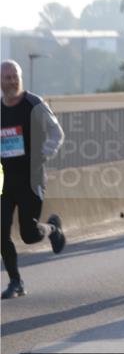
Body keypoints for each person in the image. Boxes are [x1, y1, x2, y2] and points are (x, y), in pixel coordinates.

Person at [1, 60, 66, 299]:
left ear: (20, 78)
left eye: (14, 76)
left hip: (31, 176)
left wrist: (44, 153)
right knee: (1, 231)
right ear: (0, 81)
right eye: (6, 77)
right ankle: (15, 281)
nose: (11, 81)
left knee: (29, 234)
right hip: (4, 178)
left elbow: (56, 133)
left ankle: (52, 228)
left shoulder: (34, 104)